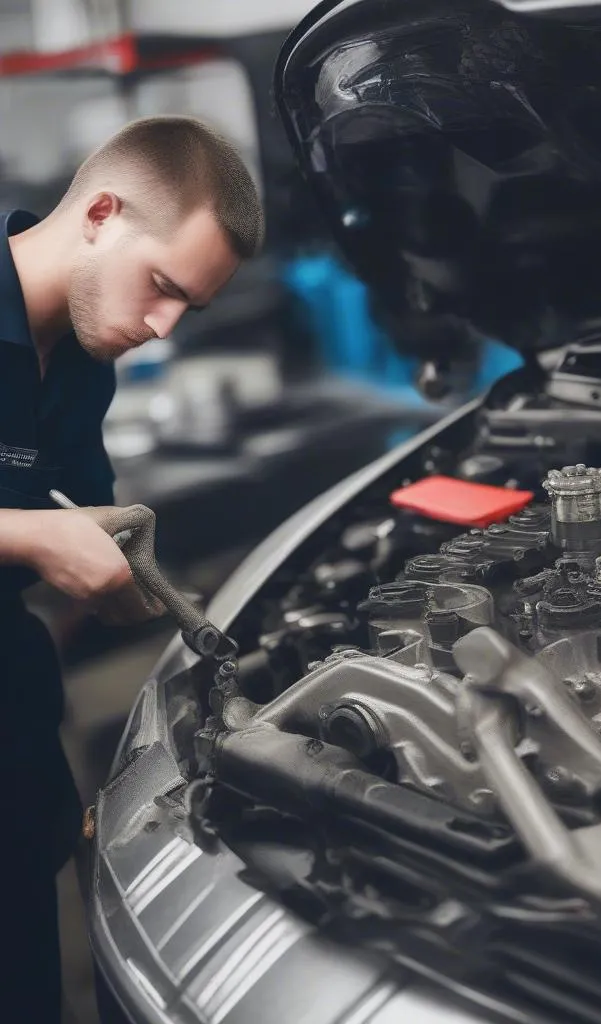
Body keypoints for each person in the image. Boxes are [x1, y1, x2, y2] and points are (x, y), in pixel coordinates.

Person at [0, 115, 264, 1022]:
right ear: (102, 213)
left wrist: (121, 575)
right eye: (160, 288)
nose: (163, 327)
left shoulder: (79, 363)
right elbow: (35, 531)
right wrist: (25, 539)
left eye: (188, 306)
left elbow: (74, 512)